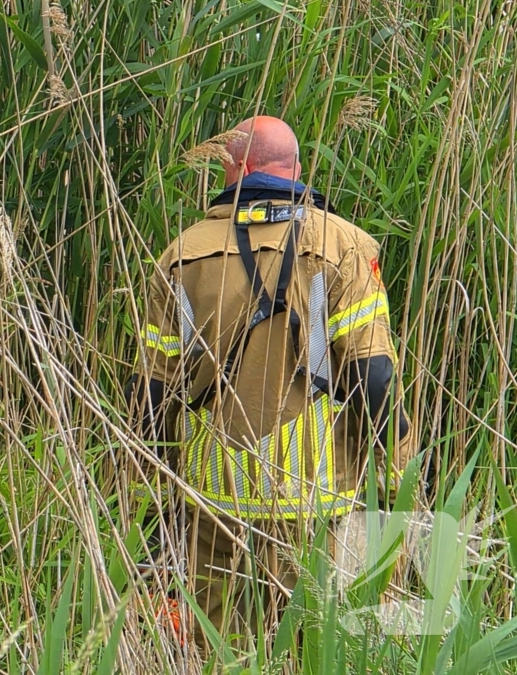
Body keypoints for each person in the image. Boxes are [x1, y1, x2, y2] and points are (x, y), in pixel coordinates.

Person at [126, 116, 414, 650]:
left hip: (217, 506)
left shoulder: (183, 254)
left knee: (222, 651)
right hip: (321, 507)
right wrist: (398, 474)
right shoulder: (345, 247)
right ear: (297, 170)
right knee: (324, 649)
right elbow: (372, 377)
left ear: (234, 168)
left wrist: (154, 498)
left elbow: (154, 395)